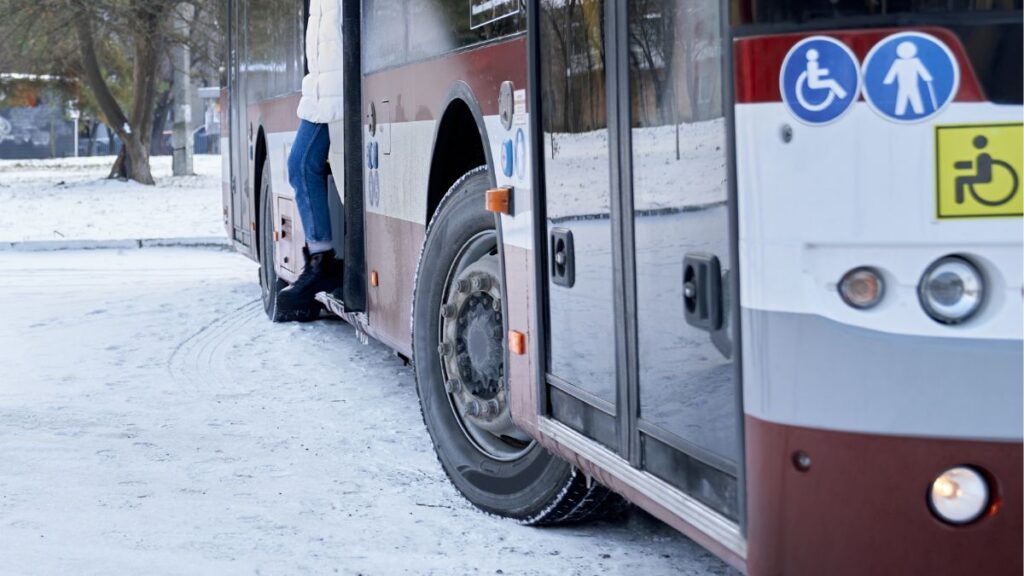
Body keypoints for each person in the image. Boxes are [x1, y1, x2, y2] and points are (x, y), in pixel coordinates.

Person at [277, 0, 345, 318]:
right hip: (323, 90)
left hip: (341, 88)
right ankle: (320, 259)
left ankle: (322, 262)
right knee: (301, 165)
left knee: (302, 164)